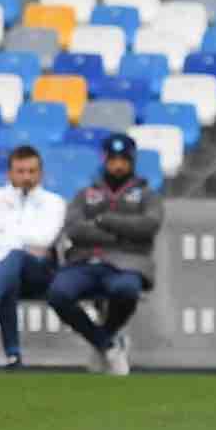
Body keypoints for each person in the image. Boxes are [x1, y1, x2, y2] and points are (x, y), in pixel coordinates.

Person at [47, 134, 163, 376]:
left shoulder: (147, 194)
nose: (118, 165)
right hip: (85, 261)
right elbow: (74, 228)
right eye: (113, 159)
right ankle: (107, 344)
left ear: (132, 161)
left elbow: (149, 225)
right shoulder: (86, 193)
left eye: (123, 160)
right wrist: (121, 234)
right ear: (104, 159)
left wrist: (104, 220)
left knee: (126, 290)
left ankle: (104, 338)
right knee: (58, 293)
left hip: (127, 263)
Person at [0, 145, 66, 369]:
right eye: (21, 171)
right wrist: (22, 243)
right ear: (9, 173)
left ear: (41, 173)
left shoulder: (54, 202)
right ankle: (13, 357)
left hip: (37, 273)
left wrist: (6, 240)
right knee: (7, 273)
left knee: (15, 257)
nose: (26, 177)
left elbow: (45, 240)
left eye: (32, 171)